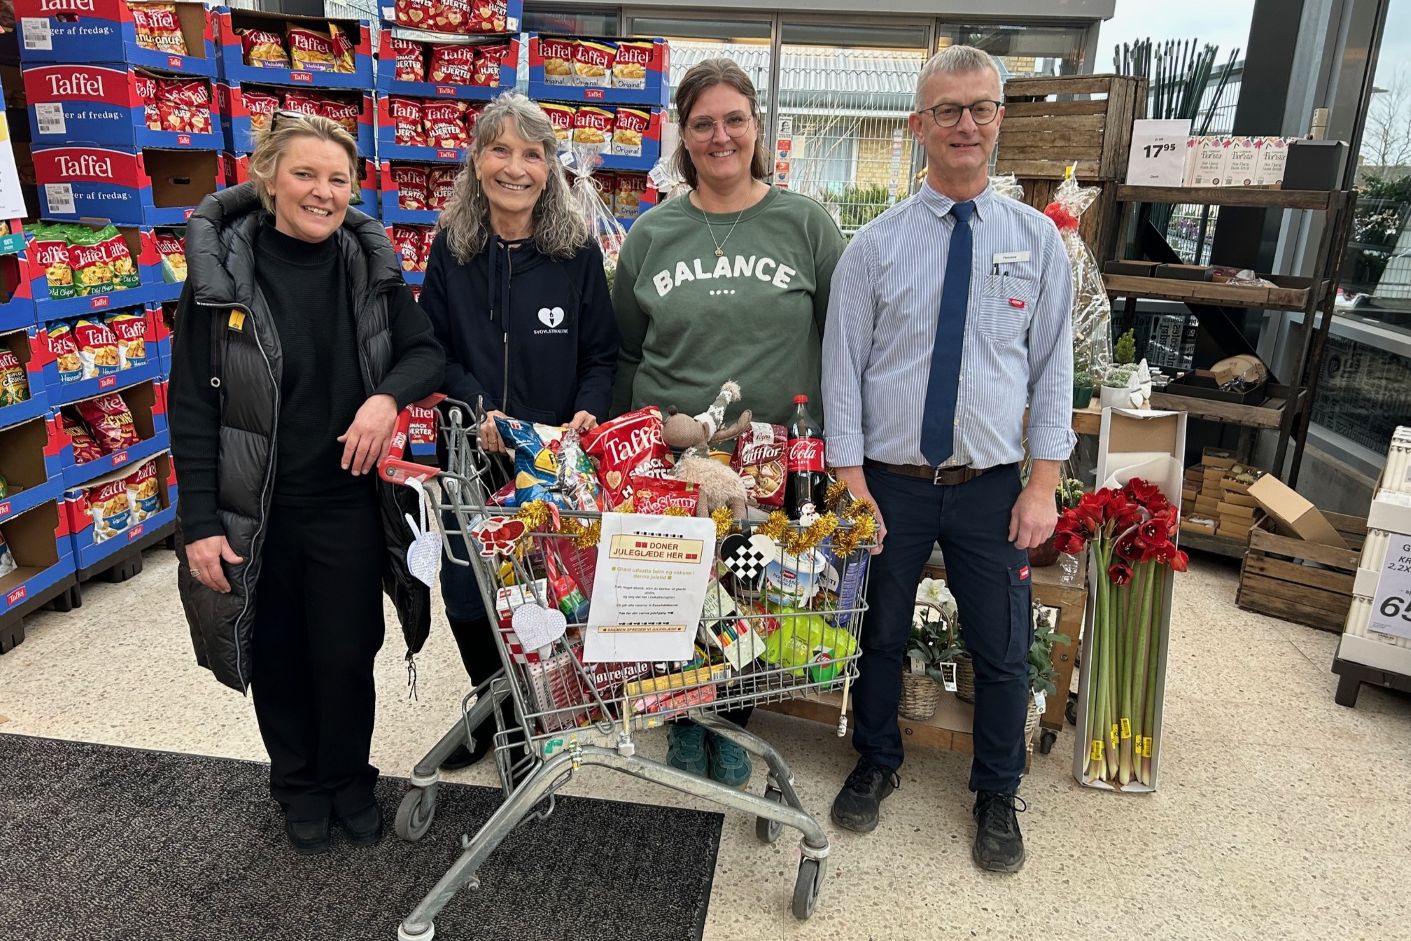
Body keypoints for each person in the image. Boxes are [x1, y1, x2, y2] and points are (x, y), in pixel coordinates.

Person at [821, 45, 1075, 872]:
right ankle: (878, 757)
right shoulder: (874, 248)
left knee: (1001, 647)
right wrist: (851, 482)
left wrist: (1043, 483)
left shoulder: (1037, 243)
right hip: (890, 482)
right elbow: (843, 373)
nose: (965, 124)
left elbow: (1052, 370)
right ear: (917, 124)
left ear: (999, 118)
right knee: (880, 633)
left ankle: (996, 788)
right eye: (947, 110)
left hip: (991, 489)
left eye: (981, 108)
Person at [170, 113, 445, 854]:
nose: (322, 192)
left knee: (347, 649)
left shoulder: (366, 265)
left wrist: (385, 398)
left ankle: (350, 777)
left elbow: (426, 353)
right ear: (267, 177)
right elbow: (192, 405)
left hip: (346, 500)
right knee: (278, 653)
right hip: (253, 507)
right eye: (304, 174)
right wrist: (198, 524)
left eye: (337, 179)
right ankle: (297, 783)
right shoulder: (221, 275)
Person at [612, 58, 846, 786]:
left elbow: (841, 338)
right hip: (672, 461)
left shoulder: (805, 224)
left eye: (734, 120)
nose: (721, 136)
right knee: (678, 593)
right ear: (683, 135)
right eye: (703, 123)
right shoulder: (651, 233)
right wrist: (634, 444)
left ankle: (733, 719)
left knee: (753, 595)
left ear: (756, 128)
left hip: (772, 465)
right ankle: (684, 720)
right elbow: (625, 346)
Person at [420, 92, 618, 770]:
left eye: (531, 154)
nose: (515, 167)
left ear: (549, 167)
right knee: (464, 585)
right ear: (475, 162)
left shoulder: (575, 253)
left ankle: (535, 713)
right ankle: (490, 707)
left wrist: (587, 409)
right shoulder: (451, 251)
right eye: (499, 150)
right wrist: (478, 410)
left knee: (539, 587)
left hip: (549, 464)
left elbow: (600, 354)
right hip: (468, 454)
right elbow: (433, 348)